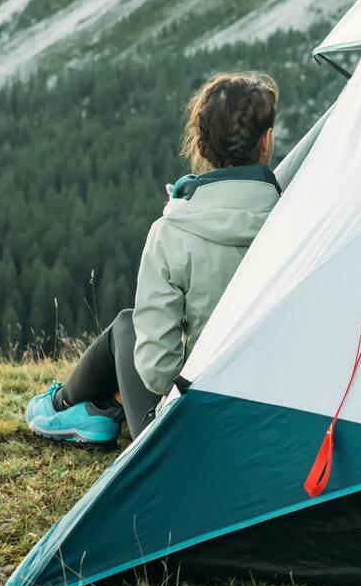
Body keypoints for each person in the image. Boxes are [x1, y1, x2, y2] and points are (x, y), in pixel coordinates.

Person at [24, 71, 281, 443]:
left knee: (127, 327)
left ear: (201, 145)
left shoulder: (172, 233)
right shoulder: (294, 222)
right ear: (267, 141)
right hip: (276, 419)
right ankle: (97, 411)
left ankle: (63, 407)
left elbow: (158, 372)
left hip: (188, 439)